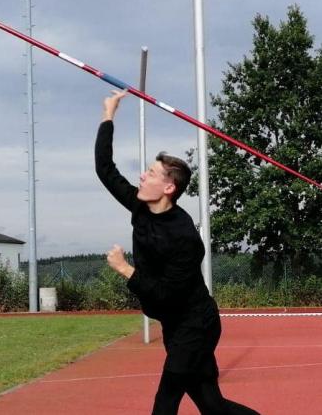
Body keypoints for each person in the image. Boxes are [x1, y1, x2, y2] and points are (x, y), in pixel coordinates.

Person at [96, 90, 261, 415]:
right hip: (174, 324)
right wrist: (108, 114)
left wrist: (125, 269)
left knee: (165, 403)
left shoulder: (185, 237)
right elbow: (105, 169)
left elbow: (166, 294)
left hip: (196, 324)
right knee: (213, 406)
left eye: (150, 173)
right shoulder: (140, 206)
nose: (142, 176)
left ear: (168, 188)